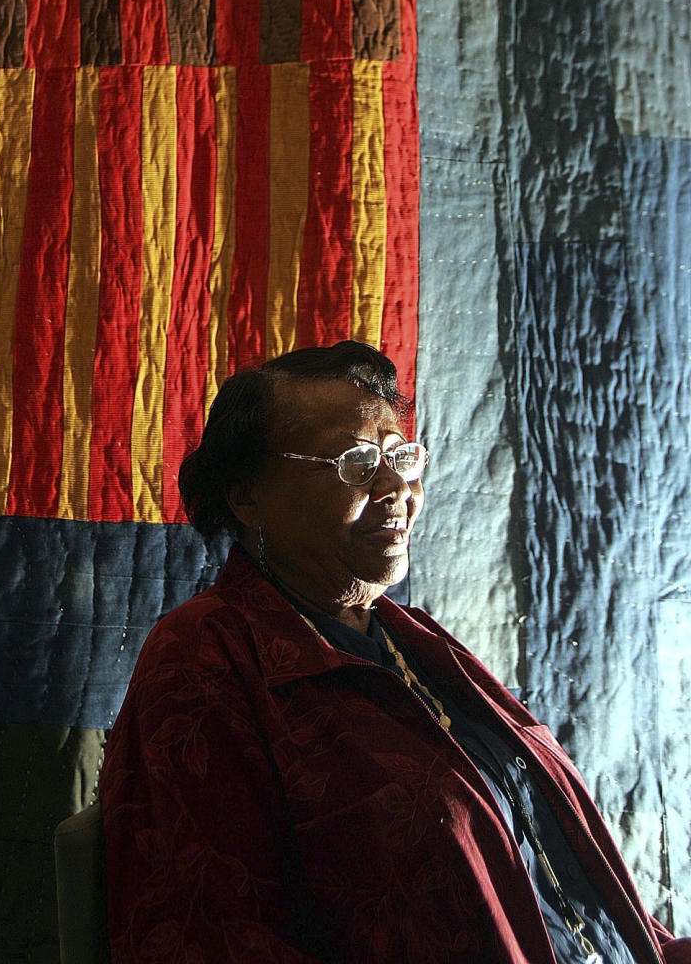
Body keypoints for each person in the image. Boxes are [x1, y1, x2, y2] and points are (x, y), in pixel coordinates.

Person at [99, 341, 690, 963]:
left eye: (400, 457)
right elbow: (200, 937)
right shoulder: (204, 659)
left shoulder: (410, 639)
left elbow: (555, 871)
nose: (394, 487)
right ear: (248, 496)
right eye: (355, 462)